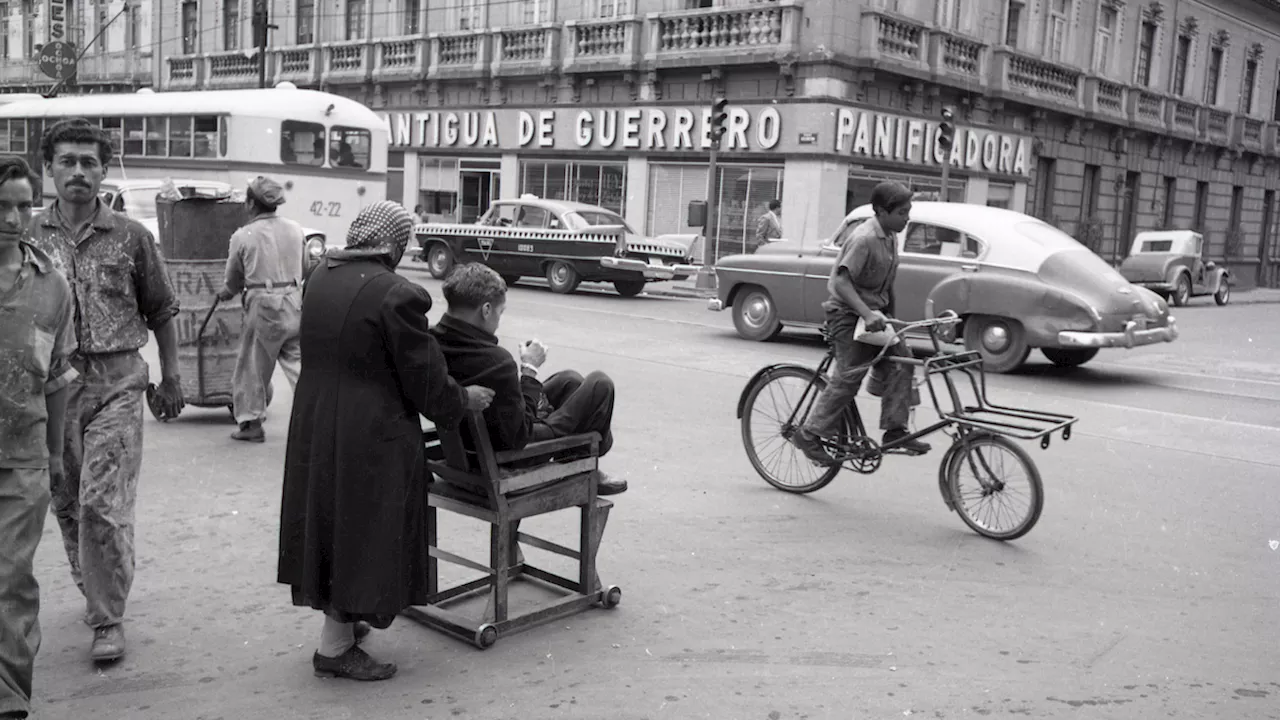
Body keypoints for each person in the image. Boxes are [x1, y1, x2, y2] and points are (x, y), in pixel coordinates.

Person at [277, 201, 495, 682]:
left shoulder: (322, 275)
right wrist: (464, 399)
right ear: (394, 243)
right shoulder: (397, 293)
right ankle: (334, 648)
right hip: (370, 433)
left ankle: (345, 625)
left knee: (332, 523)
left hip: (317, 420)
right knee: (361, 530)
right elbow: (427, 383)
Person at [27, 118, 184, 663]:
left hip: (117, 382)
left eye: (88, 162)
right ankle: (93, 586)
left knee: (102, 503)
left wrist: (171, 376)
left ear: (103, 170)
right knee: (67, 501)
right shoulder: (27, 236)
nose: (77, 172)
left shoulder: (132, 236)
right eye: (67, 161)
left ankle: (107, 616)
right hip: (52, 389)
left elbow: (161, 309)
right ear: (49, 169)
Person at [430, 263, 627, 496]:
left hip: (470, 444)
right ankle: (586, 460)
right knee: (599, 383)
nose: (498, 321)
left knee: (570, 381)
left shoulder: (431, 341)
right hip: (512, 455)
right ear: (485, 310)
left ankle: (583, 455)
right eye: (499, 312)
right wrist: (530, 370)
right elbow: (519, 435)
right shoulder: (497, 362)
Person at [0, 156, 77, 720]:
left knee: (11, 578)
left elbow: (57, 378)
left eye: (24, 206)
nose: (13, 218)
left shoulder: (52, 284)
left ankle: (9, 697)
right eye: (2, 207)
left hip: (23, 456)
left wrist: (54, 454)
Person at [791, 181, 930, 463]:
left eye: (908, 211)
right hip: (846, 315)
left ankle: (895, 430)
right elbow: (841, 282)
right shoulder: (863, 238)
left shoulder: (891, 237)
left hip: (873, 316)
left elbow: (887, 285)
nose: (907, 218)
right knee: (849, 376)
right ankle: (809, 434)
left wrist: (890, 319)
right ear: (881, 211)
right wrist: (867, 314)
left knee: (903, 361)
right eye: (902, 212)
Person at [216, 176, 306, 443]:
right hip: (294, 300)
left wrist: (227, 291)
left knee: (252, 367)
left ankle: (251, 423)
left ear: (251, 204)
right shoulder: (296, 229)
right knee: (299, 365)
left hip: (263, 306)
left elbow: (233, 279)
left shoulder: (243, 236)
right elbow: (307, 266)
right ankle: (321, 417)